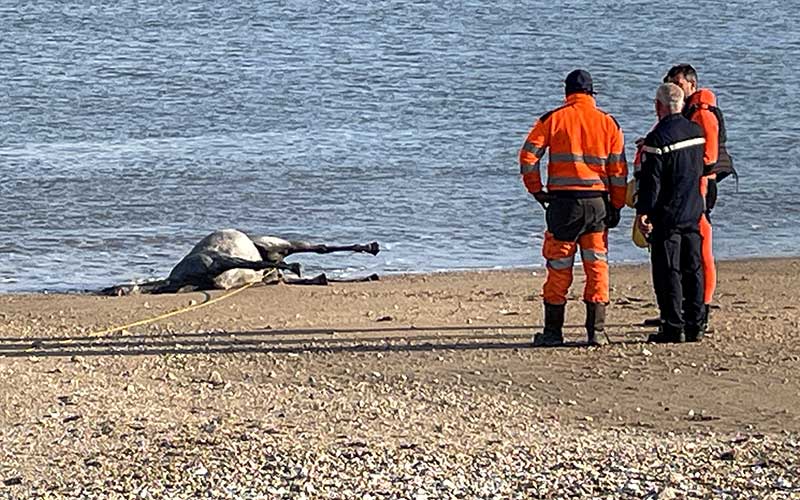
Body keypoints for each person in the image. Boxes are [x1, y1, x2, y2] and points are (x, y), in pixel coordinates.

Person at [519, 69, 628, 347]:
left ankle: (554, 332)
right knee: (596, 265)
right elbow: (618, 171)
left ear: (567, 93)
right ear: (592, 93)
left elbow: (528, 156)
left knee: (559, 266)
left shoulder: (553, 119)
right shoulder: (608, 123)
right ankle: (597, 332)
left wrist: (537, 190)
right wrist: (616, 204)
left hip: (563, 204)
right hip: (596, 204)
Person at [663, 64, 734, 333]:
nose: (675, 88)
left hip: (701, 186)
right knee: (687, 250)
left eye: (679, 83)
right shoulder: (688, 111)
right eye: (671, 83)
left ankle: (701, 309)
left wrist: (678, 165)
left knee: (701, 248)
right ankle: (686, 307)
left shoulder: (702, 113)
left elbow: (709, 158)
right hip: (692, 185)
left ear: (691, 85)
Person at [635, 83, 706, 343]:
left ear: (659, 106)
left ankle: (672, 326)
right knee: (693, 268)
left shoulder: (657, 139)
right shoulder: (696, 131)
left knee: (668, 271)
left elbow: (651, 182)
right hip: (692, 209)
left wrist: (644, 212)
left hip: (667, 215)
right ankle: (696, 323)